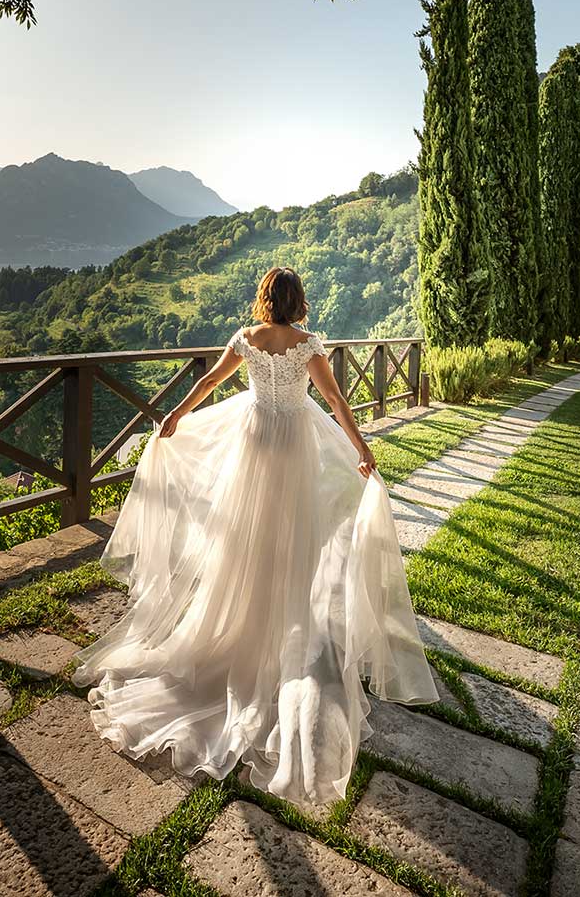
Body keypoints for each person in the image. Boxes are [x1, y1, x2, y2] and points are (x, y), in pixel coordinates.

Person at [72, 266, 438, 808]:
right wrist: (362, 449)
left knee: (243, 539)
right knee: (292, 537)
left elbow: (208, 384)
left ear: (266, 298)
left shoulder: (246, 339)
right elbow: (336, 402)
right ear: (299, 301)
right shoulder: (308, 345)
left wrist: (176, 415)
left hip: (254, 441)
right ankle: (283, 625)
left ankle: (243, 623)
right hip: (293, 447)